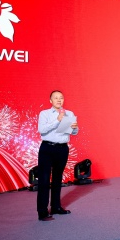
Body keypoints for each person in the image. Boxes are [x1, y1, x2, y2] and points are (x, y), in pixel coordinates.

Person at [37, 90, 79, 221]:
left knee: (57, 178)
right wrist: (57, 120)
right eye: (56, 98)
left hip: (62, 149)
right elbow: (42, 130)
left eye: (61, 98)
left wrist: (75, 128)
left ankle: (56, 207)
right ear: (51, 101)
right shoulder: (44, 113)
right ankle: (42, 211)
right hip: (47, 148)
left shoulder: (69, 113)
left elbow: (74, 132)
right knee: (44, 180)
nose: (59, 100)